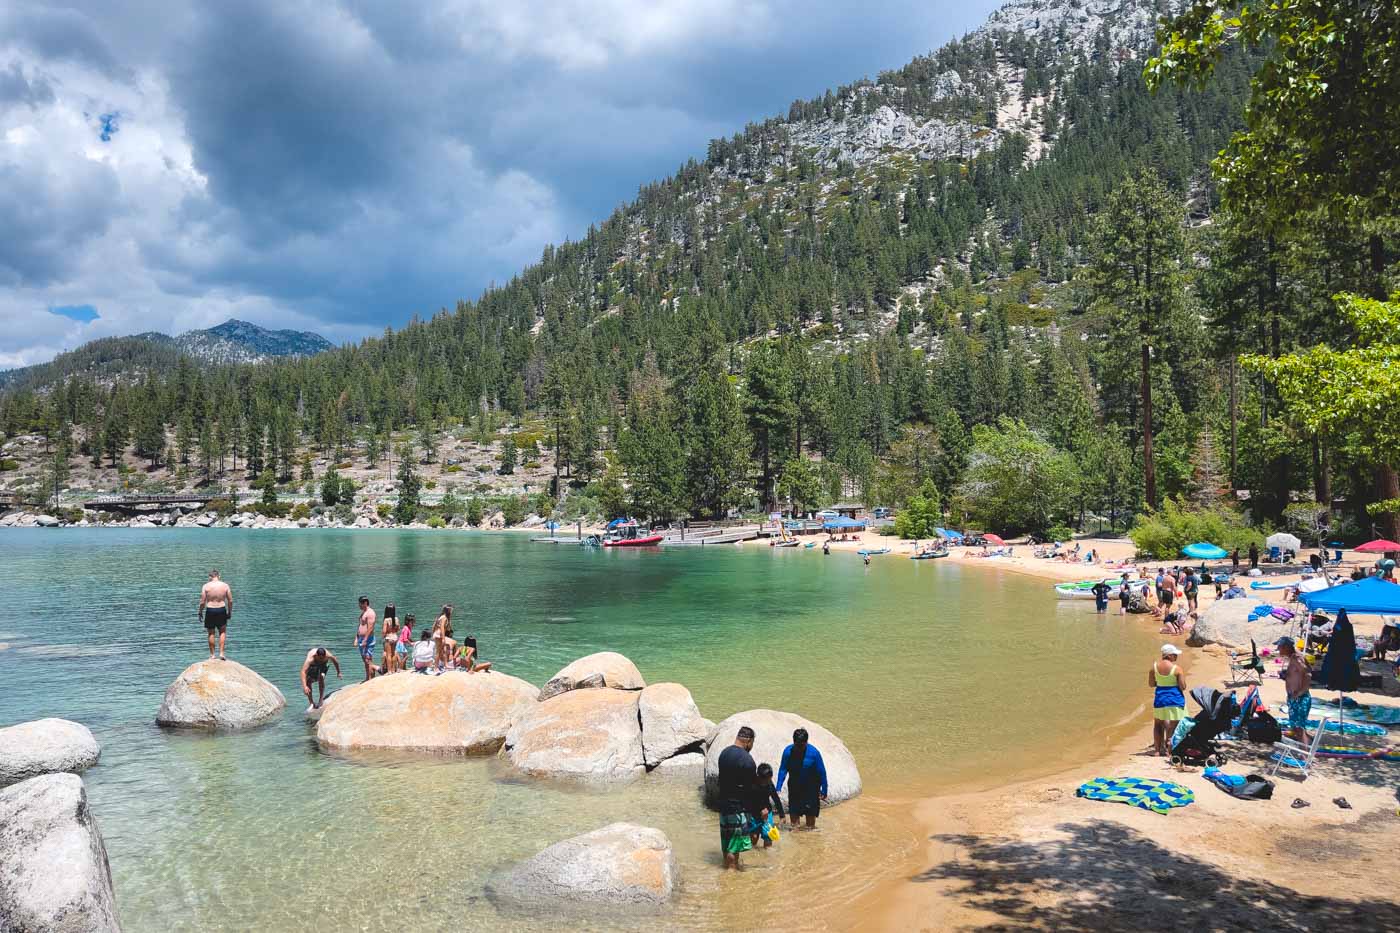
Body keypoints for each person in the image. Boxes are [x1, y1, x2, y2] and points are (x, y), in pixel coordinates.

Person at [717, 726, 759, 870]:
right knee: (734, 848)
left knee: (726, 843)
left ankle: (726, 870)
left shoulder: (723, 754)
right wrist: (756, 812)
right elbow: (751, 790)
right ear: (749, 741)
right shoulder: (747, 760)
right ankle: (731, 879)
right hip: (738, 809)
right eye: (752, 743)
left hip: (723, 806)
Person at [776, 727, 828, 830]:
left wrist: (824, 789)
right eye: (797, 745)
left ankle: (809, 843)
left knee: (810, 826)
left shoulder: (814, 753)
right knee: (794, 826)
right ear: (793, 742)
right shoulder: (788, 752)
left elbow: (822, 772)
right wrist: (778, 787)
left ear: (806, 742)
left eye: (802, 746)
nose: (799, 748)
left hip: (811, 790)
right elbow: (783, 769)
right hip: (794, 788)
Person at [1149, 644, 1187, 756]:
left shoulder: (1154, 667)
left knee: (1158, 724)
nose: (1176, 657)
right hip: (1175, 699)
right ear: (1169, 656)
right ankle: (1168, 750)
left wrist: (1161, 684)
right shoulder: (1177, 669)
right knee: (1173, 725)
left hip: (1160, 699)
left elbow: (1151, 684)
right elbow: (1183, 686)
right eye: (1175, 655)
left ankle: (1156, 751)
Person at [1275, 637, 1312, 743]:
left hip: (1299, 698)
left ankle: (1305, 755)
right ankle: (1305, 749)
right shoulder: (1293, 657)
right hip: (1294, 697)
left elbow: (1308, 674)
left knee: (1299, 729)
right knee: (1296, 729)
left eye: (1280, 647)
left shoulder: (1296, 658)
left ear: (1286, 647)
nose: (1278, 649)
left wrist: (1300, 692)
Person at [198, 569, 233, 661]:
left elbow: (202, 601)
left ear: (210, 577)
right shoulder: (225, 586)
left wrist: (200, 611)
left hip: (210, 610)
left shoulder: (206, 586)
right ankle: (221, 653)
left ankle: (212, 655)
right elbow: (230, 600)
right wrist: (229, 612)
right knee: (222, 632)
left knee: (211, 633)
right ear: (219, 576)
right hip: (221, 609)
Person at [749, 762, 785, 849]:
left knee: (768, 836)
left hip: (767, 811)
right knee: (754, 836)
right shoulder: (752, 785)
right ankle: (753, 853)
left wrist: (782, 815)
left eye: (769, 779)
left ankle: (767, 854)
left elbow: (776, 799)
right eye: (765, 780)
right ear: (759, 777)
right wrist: (759, 810)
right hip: (754, 813)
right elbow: (749, 801)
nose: (768, 782)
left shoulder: (769, 784)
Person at [354, 597, 377, 682]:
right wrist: (356, 638)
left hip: (368, 639)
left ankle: (372, 675)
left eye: (360, 603)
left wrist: (365, 639)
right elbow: (360, 626)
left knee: (368, 659)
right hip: (361, 638)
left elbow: (370, 628)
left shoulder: (370, 613)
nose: (359, 605)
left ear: (365, 603)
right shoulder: (363, 613)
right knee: (364, 659)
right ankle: (368, 677)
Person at [433, 605, 456, 672]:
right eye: (451, 610)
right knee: (438, 651)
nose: (452, 612)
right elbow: (442, 627)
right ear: (448, 611)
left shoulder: (444, 617)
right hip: (439, 635)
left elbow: (435, 626)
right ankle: (435, 668)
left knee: (444, 650)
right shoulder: (444, 617)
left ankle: (446, 665)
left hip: (438, 634)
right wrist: (443, 638)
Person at [381, 604, 399, 674]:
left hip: (388, 638)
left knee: (388, 654)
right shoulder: (396, 619)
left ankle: (389, 671)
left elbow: (384, 631)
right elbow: (398, 628)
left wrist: (383, 636)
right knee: (394, 653)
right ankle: (393, 669)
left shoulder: (386, 620)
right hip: (395, 637)